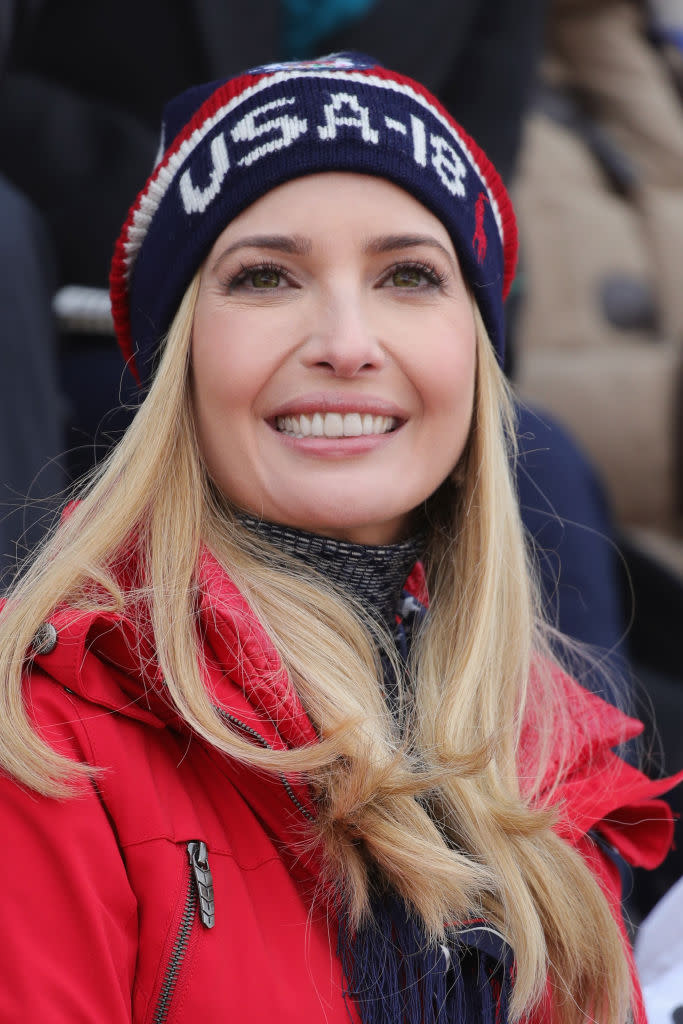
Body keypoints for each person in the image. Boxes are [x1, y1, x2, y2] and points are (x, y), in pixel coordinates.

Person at [0, 54, 678, 1023]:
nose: (347, 341)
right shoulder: (42, 746)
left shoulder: (554, 767)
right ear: (179, 363)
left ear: (474, 359)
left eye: (408, 275)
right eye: (267, 276)